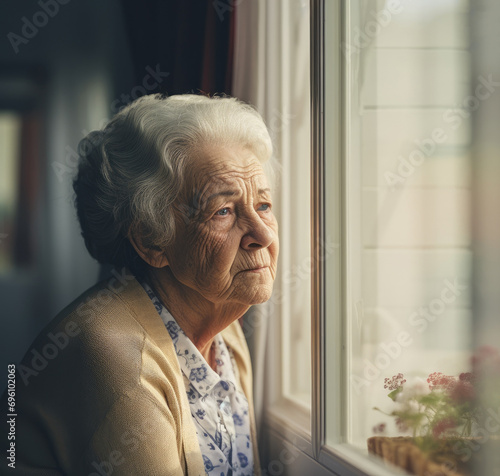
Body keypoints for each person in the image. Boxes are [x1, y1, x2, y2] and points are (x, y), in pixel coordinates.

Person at [4, 94, 279, 475]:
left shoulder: (225, 329)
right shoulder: (114, 358)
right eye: (224, 211)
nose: (263, 234)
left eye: (263, 205)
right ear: (151, 241)